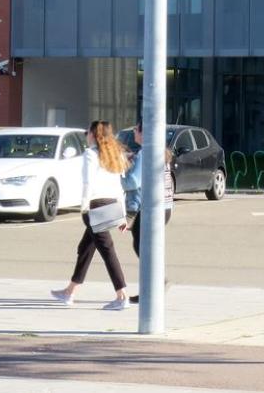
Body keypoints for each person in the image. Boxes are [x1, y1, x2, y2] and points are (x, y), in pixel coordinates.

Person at [51, 121, 131, 310]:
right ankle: (69, 291)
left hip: (96, 205)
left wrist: (84, 206)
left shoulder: (90, 154)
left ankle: (122, 296)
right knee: (85, 248)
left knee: (107, 251)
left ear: (94, 135)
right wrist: (122, 214)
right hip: (111, 204)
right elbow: (120, 187)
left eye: (88, 132)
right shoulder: (115, 154)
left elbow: (88, 182)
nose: (86, 135)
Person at [122, 120, 175, 305]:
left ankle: (153, 287)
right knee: (146, 248)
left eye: (136, 130)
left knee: (142, 248)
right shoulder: (161, 152)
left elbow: (133, 182)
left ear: (144, 133)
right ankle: (155, 286)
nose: (134, 132)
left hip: (151, 209)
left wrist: (120, 178)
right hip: (165, 207)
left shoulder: (147, 153)